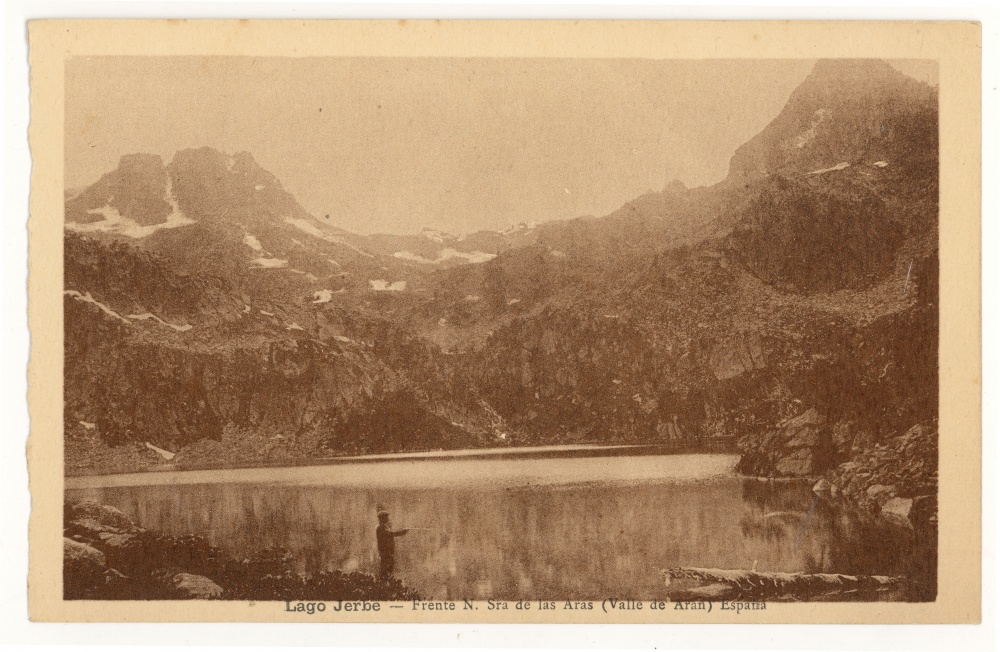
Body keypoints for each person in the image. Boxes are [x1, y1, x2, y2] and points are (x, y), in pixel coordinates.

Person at [375, 510, 408, 576]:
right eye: (386, 517)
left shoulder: (384, 527)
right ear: (382, 518)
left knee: (388, 568)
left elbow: (390, 533)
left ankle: (386, 581)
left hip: (388, 551)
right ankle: (384, 582)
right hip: (385, 551)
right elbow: (391, 534)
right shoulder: (380, 528)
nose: (388, 518)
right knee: (386, 569)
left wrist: (402, 532)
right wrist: (402, 532)